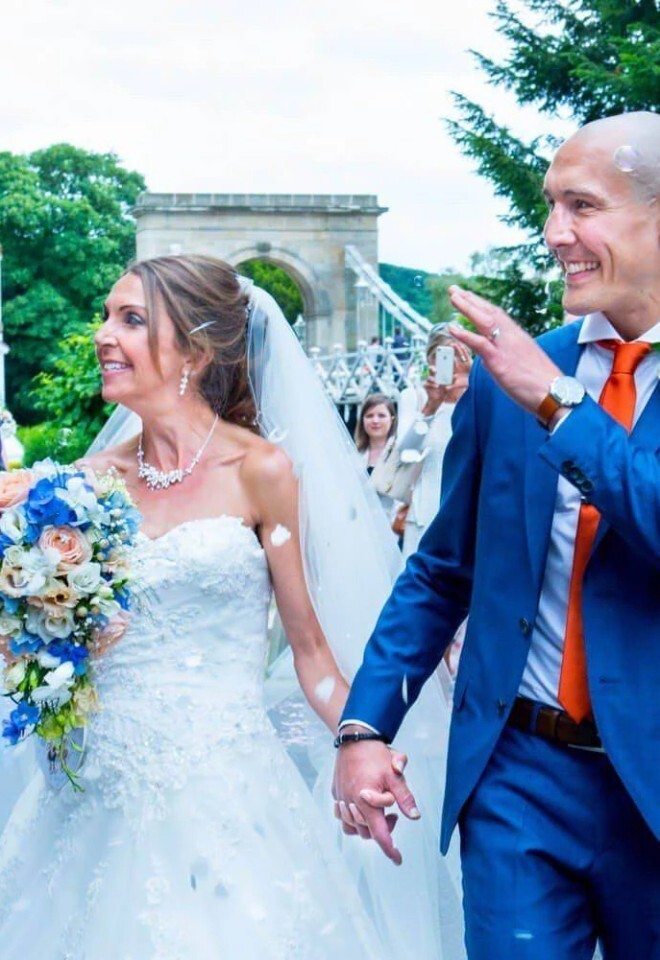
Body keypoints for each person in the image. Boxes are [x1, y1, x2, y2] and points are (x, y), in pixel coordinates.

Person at [0, 255, 463, 959]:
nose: (102, 335)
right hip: (88, 789)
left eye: (130, 319)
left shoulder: (261, 472)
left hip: (222, 796)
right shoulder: (79, 489)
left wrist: (362, 740)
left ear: (195, 348)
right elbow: (37, 636)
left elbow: (311, 656)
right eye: (105, 316)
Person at [334, 110, 660, 960]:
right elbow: (444, 570)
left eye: (581, 206)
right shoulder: (510, 377)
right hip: (518, 778)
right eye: (550, 206)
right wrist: (365, 729)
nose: (555, 235)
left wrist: (558, 404)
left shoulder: (535, 384)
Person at [393, 326, 472, 559]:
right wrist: (430, 407)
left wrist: (474, 387)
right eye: (443, 356)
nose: (452, 363)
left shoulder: (478, 397)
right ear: (430, 358)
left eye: (458, 355)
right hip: (424, 514)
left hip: (468, 513)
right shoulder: (413, 397)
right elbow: (405, 454)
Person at [354, 392, 399, 521]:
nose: (375, 421)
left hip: (391, 525)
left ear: (392, 419)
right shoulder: (354, 455)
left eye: (381, 416)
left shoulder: (399, 454)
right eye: (369, 416)